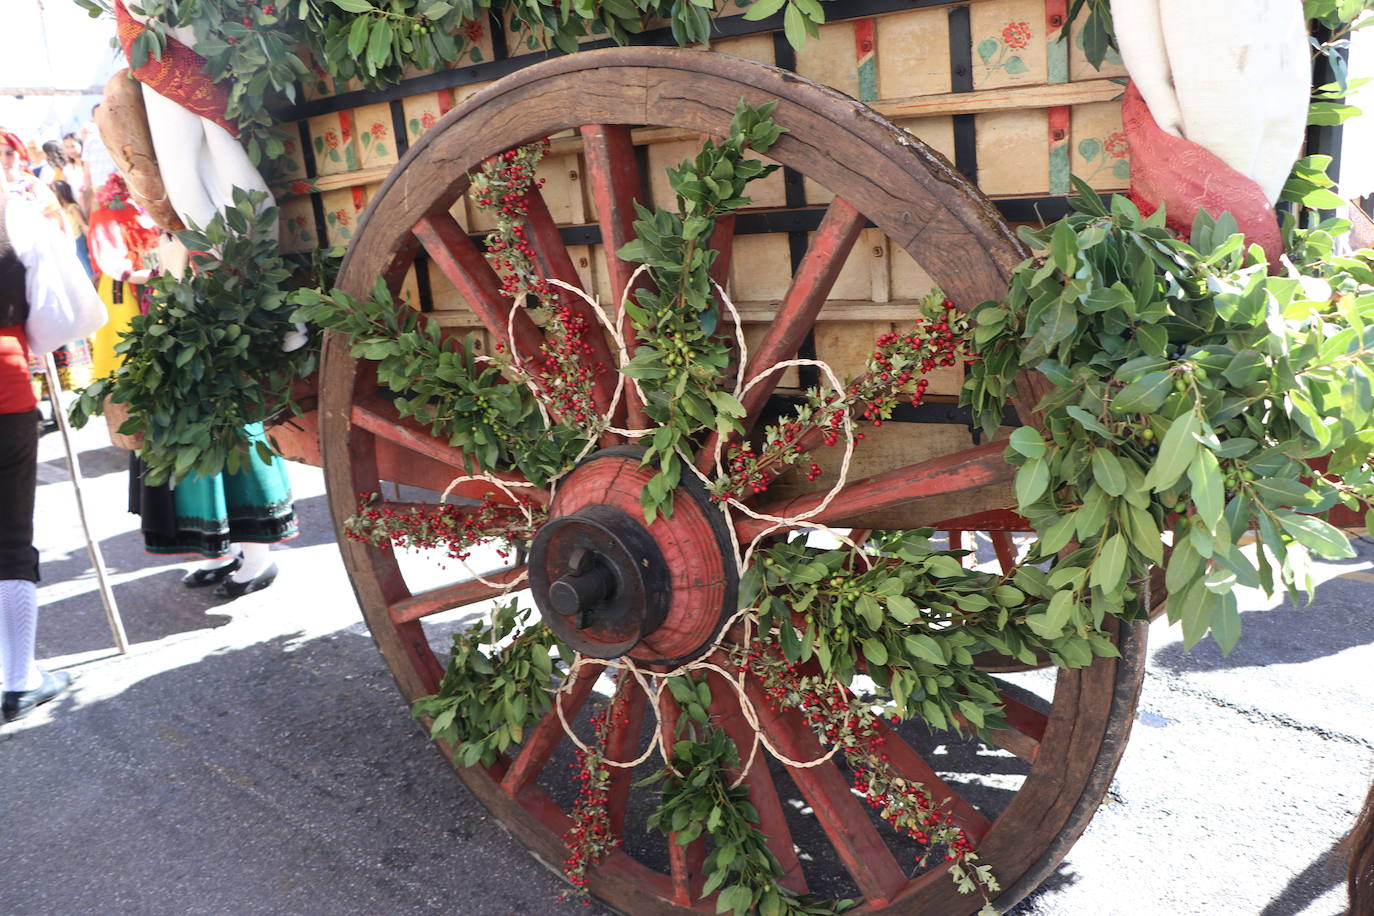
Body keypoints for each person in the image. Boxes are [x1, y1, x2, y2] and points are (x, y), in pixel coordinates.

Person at [1, 194, 105, 722]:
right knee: (9, 539)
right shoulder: (16, 217)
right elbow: (71, 315)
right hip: (3, 386)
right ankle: (19, 680)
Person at [51, 180, 92, 280]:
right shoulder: (62, 210)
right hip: (71, 240)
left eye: (54, 191)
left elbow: (83, 224)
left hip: (78, 239)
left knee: (85, 264)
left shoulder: (72, 208)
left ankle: (94, 282)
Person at [62, 132, 93, 216]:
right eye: (67, 147)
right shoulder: (67, 169)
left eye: (73, 146)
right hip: (82, 207)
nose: (70, 150)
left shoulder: (90, 162)